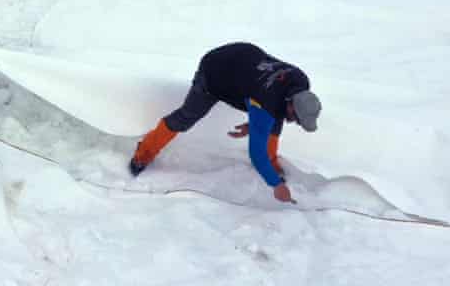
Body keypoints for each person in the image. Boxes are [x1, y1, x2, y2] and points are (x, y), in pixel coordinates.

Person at [127, 42, 321, 203]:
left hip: (246, 60)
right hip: (215, 71)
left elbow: (271, 108)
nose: (295, 122)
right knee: (187, 117)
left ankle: (271, 166)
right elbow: (256, 152)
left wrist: (255, 124)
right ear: (291, 105)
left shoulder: (300, 81)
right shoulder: (268, 99)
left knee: (274, 117)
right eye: (296, 119)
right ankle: (143, 153)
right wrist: (276, 185)